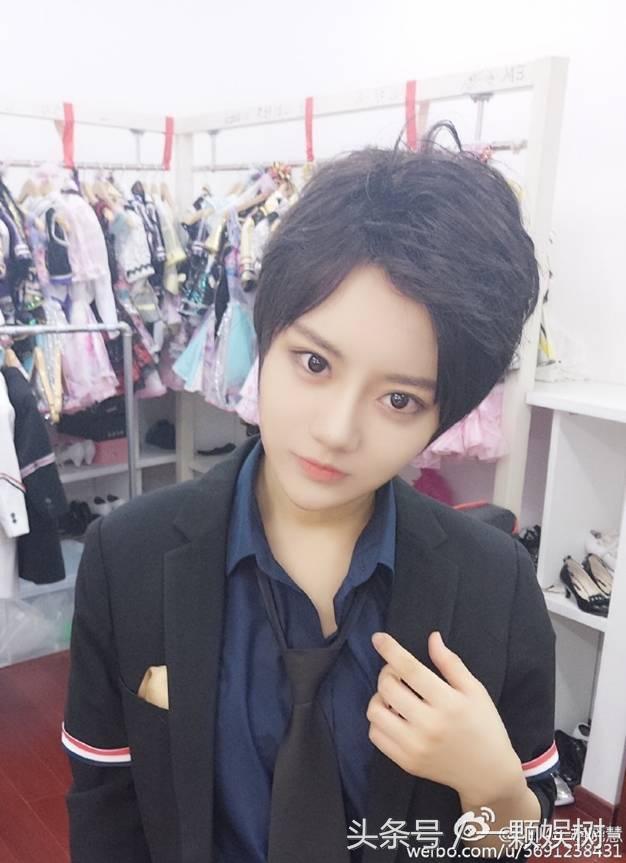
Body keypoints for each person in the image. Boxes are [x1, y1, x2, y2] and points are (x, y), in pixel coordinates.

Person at [63, 125, 559, 863]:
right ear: (266, 336)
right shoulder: (127, 556)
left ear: (442, 417)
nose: (335, 430)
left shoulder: (496, 586)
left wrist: (492, 789)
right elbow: (107, 815)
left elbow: (518, 840)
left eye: (398, 400)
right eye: (314, 363)